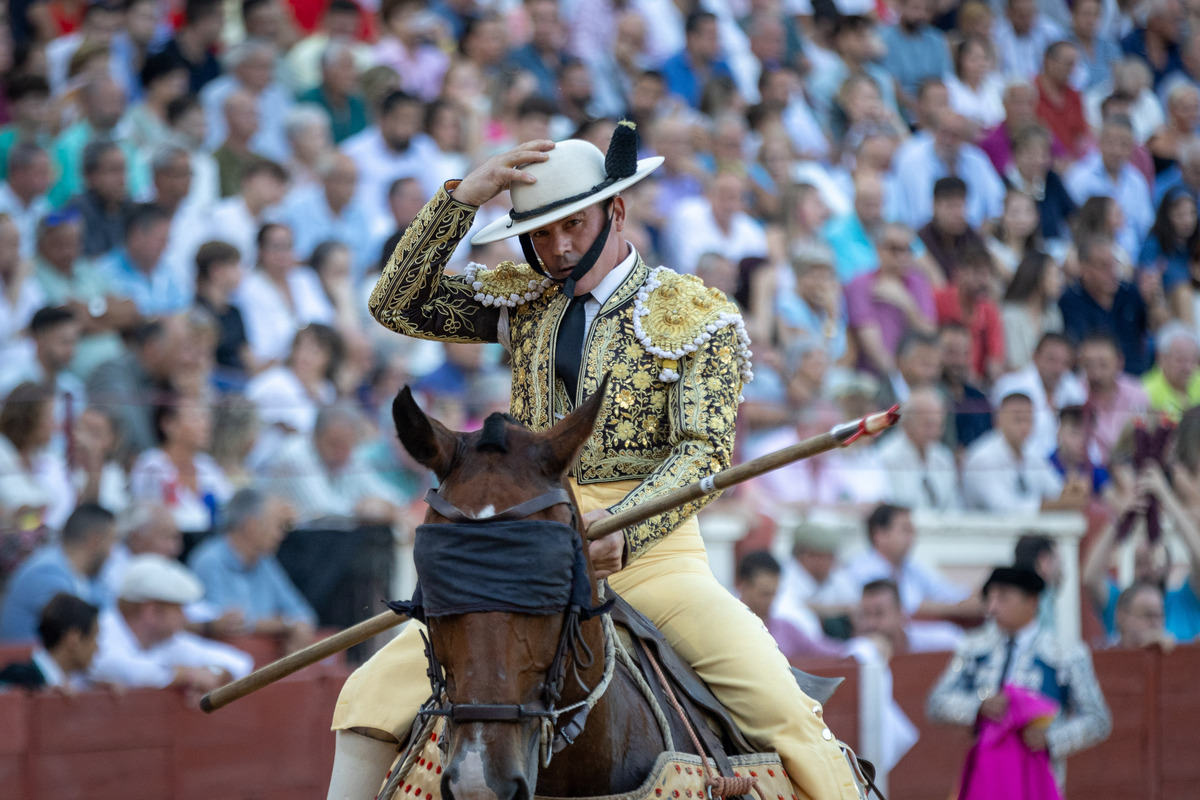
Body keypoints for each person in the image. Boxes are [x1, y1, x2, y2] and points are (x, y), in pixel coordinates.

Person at [333, 133, 861, 800]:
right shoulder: (520, 301)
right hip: (529, 554)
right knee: (366, 698)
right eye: (539, 233)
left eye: (572, 225)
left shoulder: (697, 313)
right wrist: (463, 199)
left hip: (655, 561)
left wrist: (622, 526)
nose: (556, 247)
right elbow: (395, 305)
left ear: (615, 212)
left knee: (784, 714)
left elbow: (702, 448)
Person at [926, 566, 1111, 787]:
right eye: (990, 599)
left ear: (1032, 601)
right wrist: (978, 706)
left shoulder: (1066, 654)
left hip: (1039, 775)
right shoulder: (973, 649)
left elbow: (1098, 719)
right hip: (986, 772)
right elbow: (936, 703)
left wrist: (1051, 739)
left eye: (1003, 598)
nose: (992, 608)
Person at [89, 553, 254, 695]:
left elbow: (240, 663)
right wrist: (187, 675)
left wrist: (213, 674)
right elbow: (116, 668)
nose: (184, 616)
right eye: (179, 608)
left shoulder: (166, 639)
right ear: (151, 611)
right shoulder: (99, 630)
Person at [188, 488, 316, 653]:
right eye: (277, 526)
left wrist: (292, 626)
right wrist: (285, 626)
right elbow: (227, 625)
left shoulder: (265, 562)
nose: (281, 535)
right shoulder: (209, 561)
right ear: (251, 526)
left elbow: (304, 614)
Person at [1082, 465, 1200, 643]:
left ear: (1168, 563)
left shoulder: (1184, 599)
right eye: (1140, 561)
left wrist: (1166, 497)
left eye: (1153, 559)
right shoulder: (1120, 602)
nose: (1147, 567)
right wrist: (1119, 518)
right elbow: (1091, 576)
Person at [838, 504, 977, 622]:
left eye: (912, 531)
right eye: (905, 530)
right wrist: (956, 609)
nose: (911, 537)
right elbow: (906, 608)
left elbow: (947, 592)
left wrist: (975, 597)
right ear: (879, 535)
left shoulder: (911, 567)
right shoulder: (862, 569)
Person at [0, 504, 115, 641]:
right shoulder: (45, 572)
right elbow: (78, 638)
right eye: (112, 543)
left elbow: (110, 617)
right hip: (21, 661)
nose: (111, 554)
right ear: (94, 541)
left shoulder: (89, 577)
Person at [962, 389, 1086, 511]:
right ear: (998, 420)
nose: (1024, 426)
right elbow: (1005, 511)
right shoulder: (981, 459)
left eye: (1029, 420)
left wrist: (1072, 490)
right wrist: (1060, 503)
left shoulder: (1032, 456)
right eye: (1017, 419)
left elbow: (1056, 490)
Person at [129, 394, 232, 533]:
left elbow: (228, 506)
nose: (205, 426)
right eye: (195, 418)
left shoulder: (207, 464)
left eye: (205, 418)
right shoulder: (151, 465)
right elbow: (147, 519)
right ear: (168, 424)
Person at [1060, 236, 1161, 377]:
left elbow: (1158, 328)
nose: (1112, 272)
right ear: (1084, 269)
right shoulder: (1070, 300)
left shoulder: (1129, 292)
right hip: (1094, 379)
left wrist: (1153, 302)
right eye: (1103, 266)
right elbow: (1079, 349)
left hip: (1136, 377)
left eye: (1114, 264)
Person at [736, 551, 847, 661]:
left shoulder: (786, 629)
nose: (771, 600)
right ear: (743, 586)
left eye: (774, 593)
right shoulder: (729, 628)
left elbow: (828, 651)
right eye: (765, 593)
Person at [991, 332, 1086, 458]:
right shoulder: (1010, 386)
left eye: (1065, 362)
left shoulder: (1074, 389)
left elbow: (1083, 436)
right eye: (1051, 360)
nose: (1057, 368)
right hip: (1022, 464)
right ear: (1035, 356)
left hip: (1062, 468)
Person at [876, 387, 961, 511]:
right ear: (907, 423)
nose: (935, 432)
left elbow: (954, 507)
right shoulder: (887, 457)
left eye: (939, 425)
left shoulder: (943, 457)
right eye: (928, 425)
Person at [0, 592, 99, 691]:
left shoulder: (78, 682)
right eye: (93, 637)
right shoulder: (18, 677)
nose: (96, 648)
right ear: (74, 639)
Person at [855, 579, 962, 658]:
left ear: (900, 614)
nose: (871, 623)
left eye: (879, 614)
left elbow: (961, 645)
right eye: (865, 614)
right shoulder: (856, 652)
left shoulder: (939, 642)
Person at [1141, 322, 1200, 419]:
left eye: (1193, 360)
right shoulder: (1145, 392)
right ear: (1161, 358)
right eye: (1181, 360)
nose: (1188, 367)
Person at [1112, 581, 1175, 649]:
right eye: (1148, 615)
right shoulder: (1106, 654)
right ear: (1122, 617)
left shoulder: (1171, 654)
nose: (1155, 623)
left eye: (1159, 616)